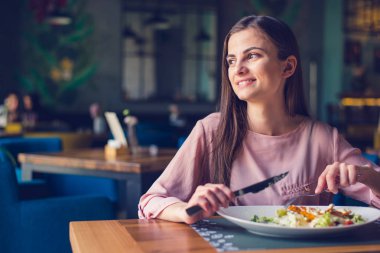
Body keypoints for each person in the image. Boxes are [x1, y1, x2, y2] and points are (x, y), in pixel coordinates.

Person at [138, 15, 380, 224]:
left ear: (287, 67)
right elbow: (150, 201)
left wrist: (364, 175)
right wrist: (188, 210)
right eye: (231, 60)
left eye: (252, 56)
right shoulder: (211, 130)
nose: (237, 69)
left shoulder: (322, 138)